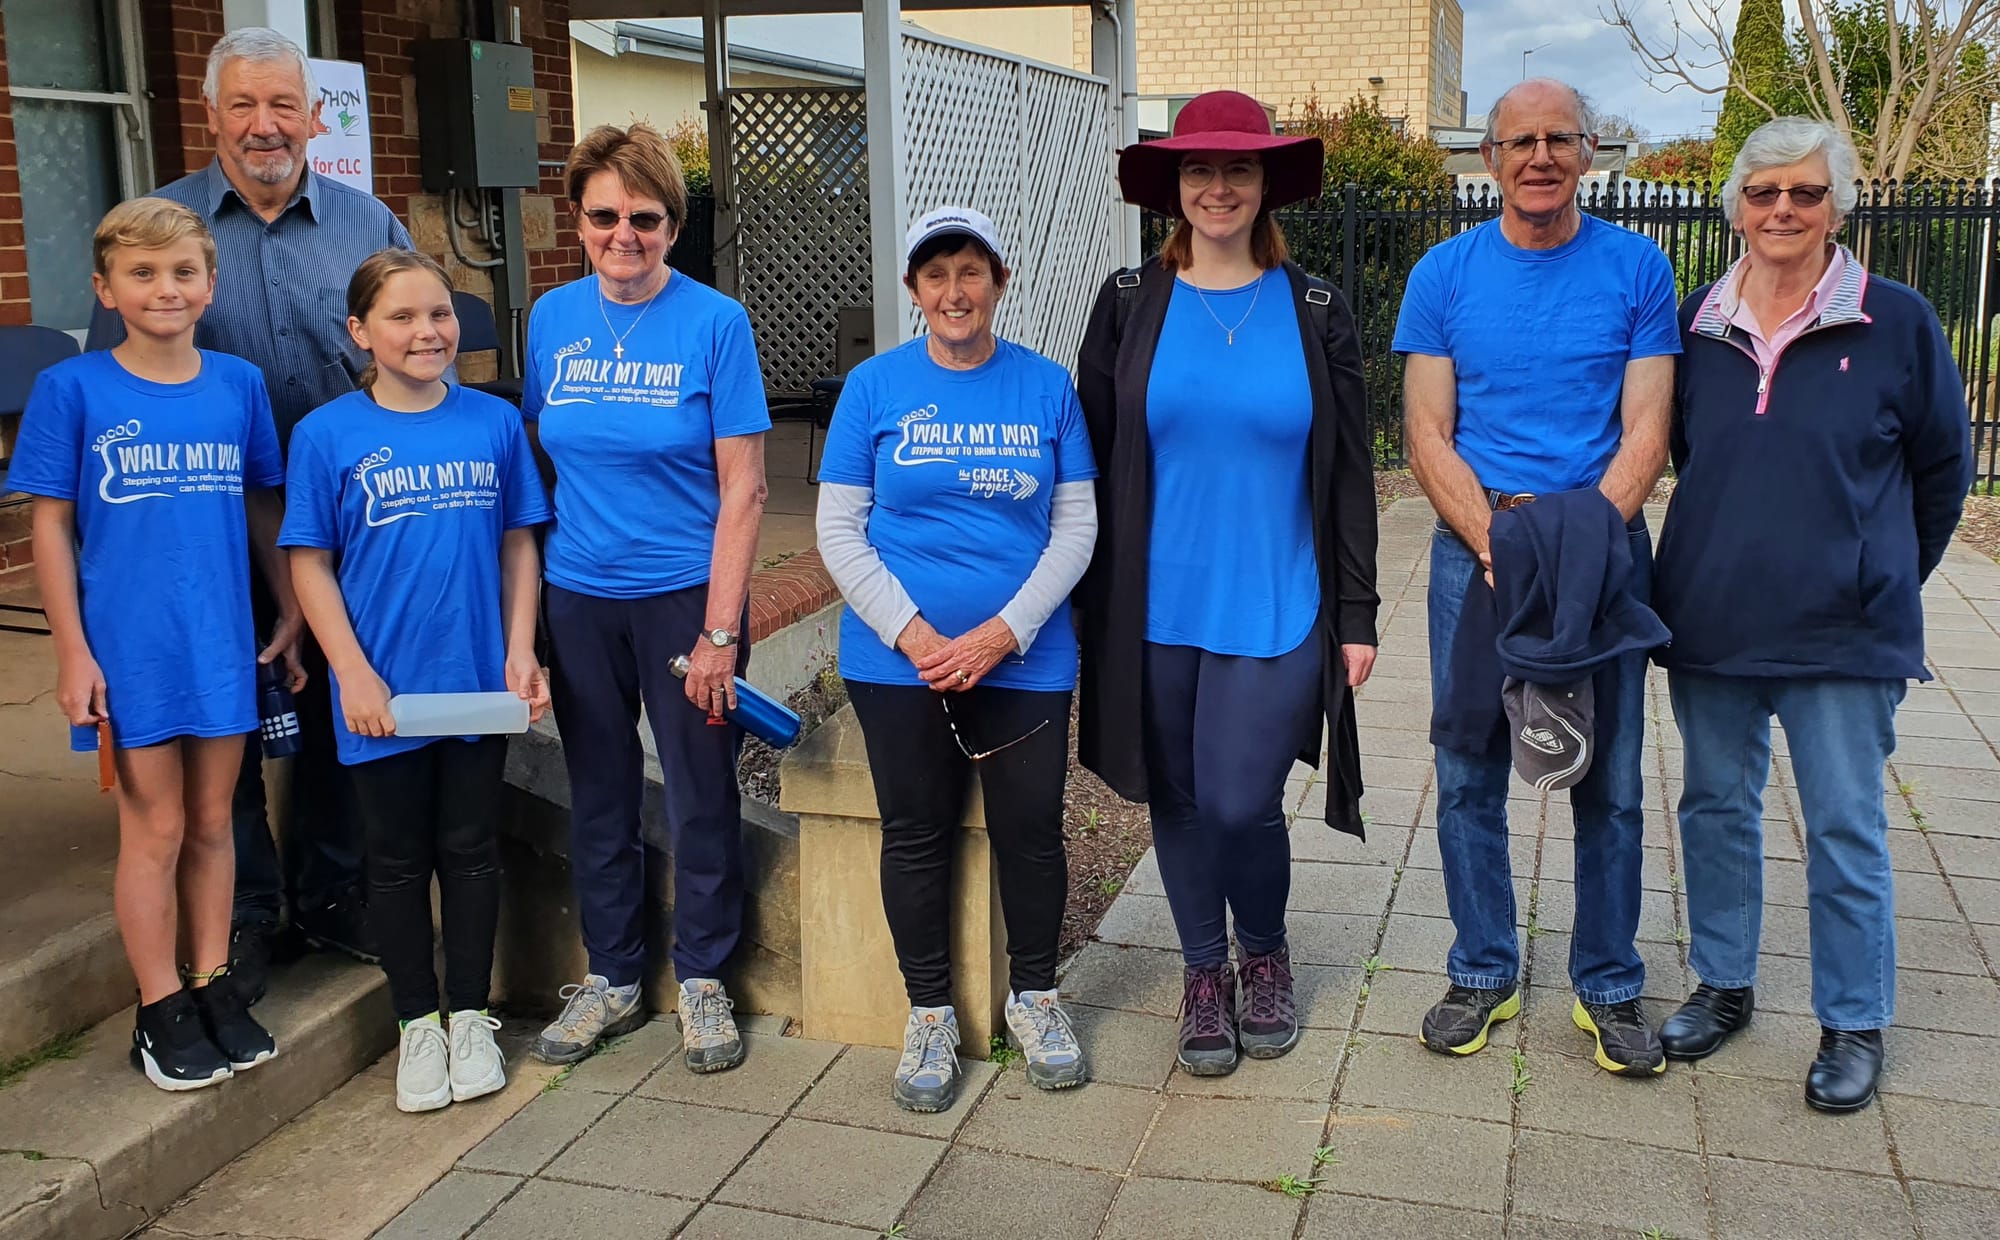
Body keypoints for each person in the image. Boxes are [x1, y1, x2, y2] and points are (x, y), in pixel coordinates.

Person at [87, 27, 428, 989]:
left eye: (284, 104)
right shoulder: (166, 230)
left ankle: (333, 891)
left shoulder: (371, 227)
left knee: (337, 703)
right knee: (216, 710)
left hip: (348, 521)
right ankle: (239, 913)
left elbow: (413, 350)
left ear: (314, 116)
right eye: (244, 105)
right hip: (199, 521)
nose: (265, 125)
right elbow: (115, 376)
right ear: (211, 115)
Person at [1651, 118, 1971, 1111]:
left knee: (1841, 826)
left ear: (1836, 204)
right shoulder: (1691, 322)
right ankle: (1722, 983)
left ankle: (1850, 1017)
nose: (1781, 210)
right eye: (1761, 193)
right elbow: (1678, 458)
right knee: (1712, 810)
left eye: (1802, 192)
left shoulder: (1898, 320)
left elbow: (1940, 473)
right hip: (1709, 617)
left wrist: (1877, 572)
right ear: (1735, 206)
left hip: (1844, 629)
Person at [1076, 91, 1380, 1078]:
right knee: (1177, 796)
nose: (1215, 187)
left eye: (1236, 169)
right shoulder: (1127, 303)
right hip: (1152, 607)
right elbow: (1089, 457)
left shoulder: (1317, 310)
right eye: (1197, 170)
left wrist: (1358, 613)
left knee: (1241, 797)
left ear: (1263, 184)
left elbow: (1344, 473)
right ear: (1173, 186)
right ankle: (1202, 973)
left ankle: (1265, 949)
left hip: (1277, 600)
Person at [1395, 78, 1681, 1076]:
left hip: (1598, 555)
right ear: (1488, 160)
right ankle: (1481, 967)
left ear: (1587, 151)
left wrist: (1580, 543)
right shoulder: (1442, 273)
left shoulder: (1637, 269)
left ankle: (1606, 981)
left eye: (1559, 137)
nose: (1539, 157)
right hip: (1474, 555)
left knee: (1607, 779)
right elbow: (1425, 431)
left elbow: (1646, 427)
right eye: (1519, 141)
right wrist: (1491, 540)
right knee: (1468, 770)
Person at [14, 197, 304, 1090]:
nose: (165, 288)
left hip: (221, 639)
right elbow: (50, 527)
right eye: (142, 273)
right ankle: (158, 1006)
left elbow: (262, 503)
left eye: (182, 272)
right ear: (106, 288)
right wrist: (72, 650)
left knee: (217, 821)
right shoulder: (74, 390)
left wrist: (289, 607)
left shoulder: (237, 384)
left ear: (209, 285)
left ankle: (213, 982)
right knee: (156, 826)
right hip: (130, 649)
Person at [816, 207, 1099, 1112]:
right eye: (934, 276)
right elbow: (837, 528)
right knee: (917, 832)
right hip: (899, 662)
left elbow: (1077, 524)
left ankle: (1038, 997)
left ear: (999, 283)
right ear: (912, 291)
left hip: (1025, 655)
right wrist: (917, 634)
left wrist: (1001, 632)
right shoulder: (873, 387)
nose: (953, 292)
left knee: (1032, 831)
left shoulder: (1047, 388)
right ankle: (929, 1010)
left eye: (970, 272)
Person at [280, 249, 553, 1113]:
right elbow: (310, 564)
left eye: (439, 314)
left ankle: (470, 1015)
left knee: (470, 852)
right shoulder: (326, 434)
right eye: (401, 317)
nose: (427, 331)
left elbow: (519, 541)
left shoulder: (492, 423)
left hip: (473, 681)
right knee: (394, 863)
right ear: (360, 331)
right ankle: (415, 1026)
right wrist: (351, 673)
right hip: (380, 694)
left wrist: (521, 648)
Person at [522, 123, 769, 1074]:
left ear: (674, 223)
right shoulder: (551, 319)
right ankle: (613, 975)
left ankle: (703, 979)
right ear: (578, 220)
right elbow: (550, 456)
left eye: (646, 218)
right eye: (604, 216)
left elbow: (744, 485)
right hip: (580, 596)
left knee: (702, 791)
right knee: (599, 792)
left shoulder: (715, 324)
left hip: (685, 599)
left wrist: (720, 629)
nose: (624, 234)